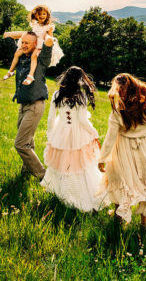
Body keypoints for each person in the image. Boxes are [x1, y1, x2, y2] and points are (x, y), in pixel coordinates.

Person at [98, 73, 146, 228]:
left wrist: (102, 159)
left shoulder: (118, 108)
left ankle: (119, 220)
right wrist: (139, 131)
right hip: (145, 146)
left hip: (124, 148)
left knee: (122, 181)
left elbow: (111, 136)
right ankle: (144, 223)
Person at [40, 66, 104, 212]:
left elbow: (51, 118)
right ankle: (79, 195)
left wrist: (51, 134)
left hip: (60, 132)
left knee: (62, 164)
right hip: (78, 135)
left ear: (66, 77)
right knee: (80, 166)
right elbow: (82, 120)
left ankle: (63, 194)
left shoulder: (57, 94)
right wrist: (94, 133)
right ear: (80, 80)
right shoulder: (81, 96)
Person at [11, 31, 54, 181]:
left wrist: (47, 36)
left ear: (35, 45)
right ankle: (27, 169)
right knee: (27, 140)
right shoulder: (22, 58)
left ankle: (43, 176)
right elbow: (13, 42)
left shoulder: (40, 61)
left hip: (35, 105)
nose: (23, 45)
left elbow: (48, 47)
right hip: (23, 104)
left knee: (20, 144)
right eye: (22, 42)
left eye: (27, 43)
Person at [3, 5, 64, 85]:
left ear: (47, 15)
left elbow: (50, 38)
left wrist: (47, 40)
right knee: (17, 53)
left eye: (44, 14)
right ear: (35, 15)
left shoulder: (48, 26)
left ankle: (30, 75)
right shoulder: (34, 24)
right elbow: (32, 34)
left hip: (40, 44)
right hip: (32, 41)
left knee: (34, 56)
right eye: (39, 14)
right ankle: (10, 71)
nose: (42, 16)